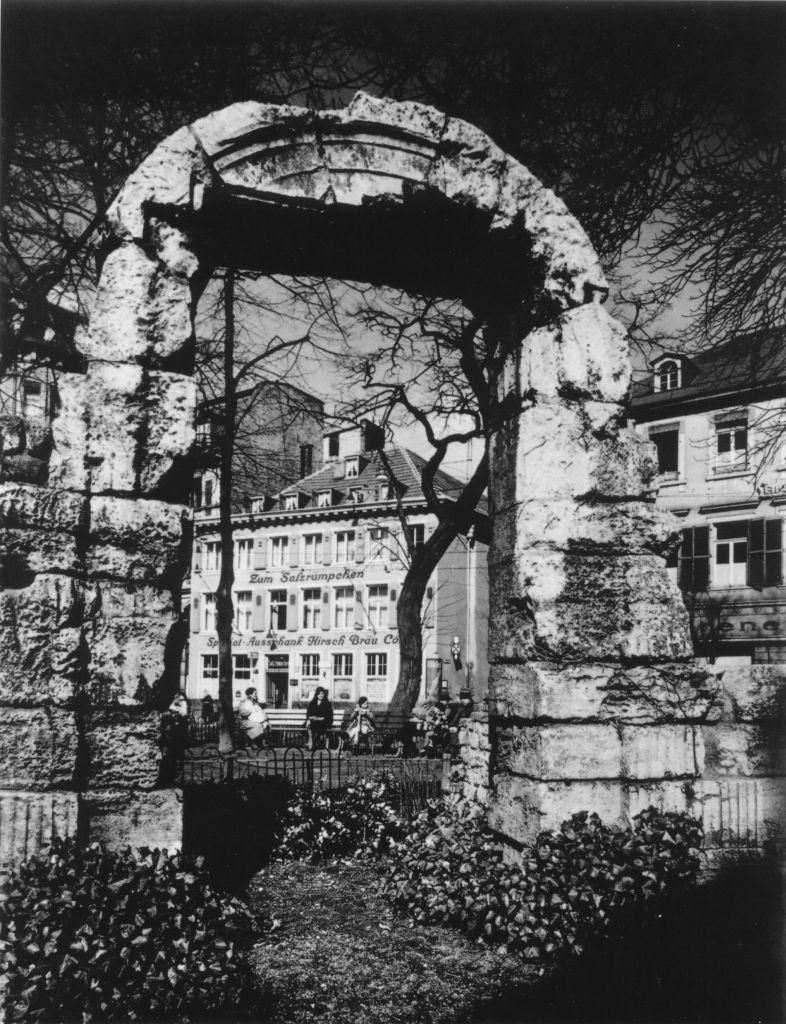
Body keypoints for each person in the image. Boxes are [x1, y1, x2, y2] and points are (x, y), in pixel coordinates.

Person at [305, 686, 334, 750]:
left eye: (322, 693)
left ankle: (311, 743)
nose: (321, 695)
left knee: (314, 726)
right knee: (309, 725)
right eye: (320, 693)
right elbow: (308, 714)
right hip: (314, 722)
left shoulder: (327, 704)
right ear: (317, 694)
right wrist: (312, 717)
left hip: (324, 722)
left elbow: (329, 717)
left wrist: (318, 718)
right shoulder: (312, 703)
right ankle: (311, 742)